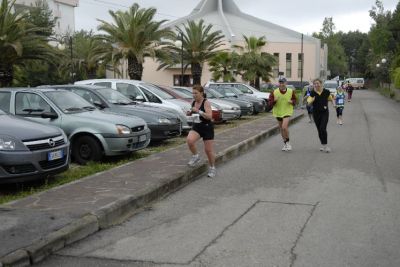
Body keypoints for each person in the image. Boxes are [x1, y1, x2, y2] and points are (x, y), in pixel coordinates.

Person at [186, 84, 216, 178]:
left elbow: (209, 116)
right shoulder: (193, 102)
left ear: (201, 93)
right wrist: (189, 113)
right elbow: (193, 112)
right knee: (190, 140)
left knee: (208, 150)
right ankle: (196, 156)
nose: (194, 95)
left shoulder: (206, 102)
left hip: (207, 127)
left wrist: (198, 111)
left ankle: (212, 168)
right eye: (193, 93)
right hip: (197, 126)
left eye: (196, 93)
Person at [307, 78, 336, 153]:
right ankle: (323, 145)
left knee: (323, 128)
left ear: (321, 84)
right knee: (319, 130)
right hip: (316, 113)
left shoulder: (326, 92)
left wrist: (334, 104)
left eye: (318, 83)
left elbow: (331, 98)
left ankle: (326, 146)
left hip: (324, 113)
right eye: (315, 84)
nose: (316, 85)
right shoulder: (312, 93)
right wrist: (311, 101)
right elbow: (308, 103)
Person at [268, 77, 297, 151]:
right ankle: (285, 143)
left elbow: (295, 100)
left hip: (287, 111)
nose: (281, 84)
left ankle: (288, 142)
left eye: (283, 83)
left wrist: (292, 102)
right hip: (278, 112)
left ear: (286, 83)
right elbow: (270, 103)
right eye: (280, 83)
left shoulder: (291, 91)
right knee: (281, 129)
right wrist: (274, 101)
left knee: (284, 127)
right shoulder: (274, 92)